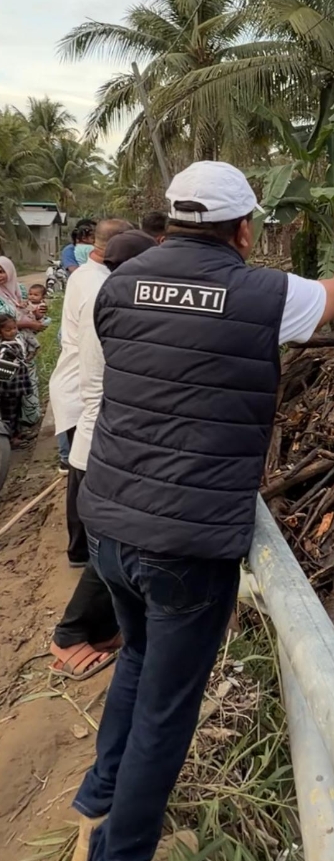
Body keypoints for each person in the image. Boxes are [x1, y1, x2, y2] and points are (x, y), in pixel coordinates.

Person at [66, 161, 334, 861]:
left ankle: (94, 821)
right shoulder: (263, 293)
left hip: (110, 525)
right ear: (242, 229)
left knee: (136, 664)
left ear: (171, 219)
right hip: (184, 542)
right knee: (167, 706)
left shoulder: (116, 285)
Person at [49, 230, 157, 682]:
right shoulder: (111, 303)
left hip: (98, 442)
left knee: (112, 547)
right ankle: (70, 635)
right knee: (113, 547)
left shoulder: (106, 293)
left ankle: (103, 627)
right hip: (103, 447)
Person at [49, 220, 132, 568]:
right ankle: (83, 551)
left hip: (76, 384)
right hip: (84, 388)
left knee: (81, 469)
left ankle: (82, 549)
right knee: (85, 471)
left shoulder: (86, 275)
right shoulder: (102, 287)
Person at [0, 256, 46, 437]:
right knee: (8, 388)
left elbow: (27, 310)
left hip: (22, 346)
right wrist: (28, 324)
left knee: (25, 382)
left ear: (10, 271)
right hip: (6, 350)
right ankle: (10, 431)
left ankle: (27, 421)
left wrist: (37, 316)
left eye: (2, 271)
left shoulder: (18, 290)